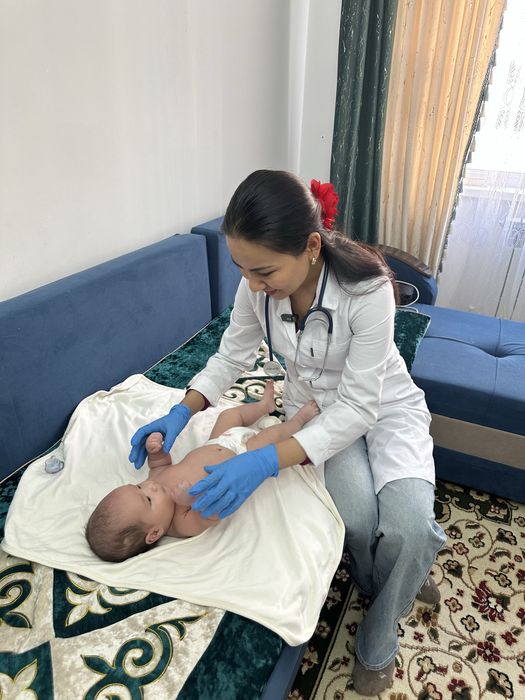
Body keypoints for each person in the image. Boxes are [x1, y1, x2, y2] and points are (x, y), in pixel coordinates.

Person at [129, 170, 446, 695]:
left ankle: (381, 625)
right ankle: (395, 578)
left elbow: (360, 405)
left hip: (385, 406)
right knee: (358, 519)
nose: (254, 284)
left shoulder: (368, 291)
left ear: (312, 247)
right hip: (314, 414)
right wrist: (182, 411)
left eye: (264, 271)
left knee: (410, 527)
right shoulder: (256, 287)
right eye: (242, 269)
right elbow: (229, 356)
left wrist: (266, 460)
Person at [87, 381, 318, 562]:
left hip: (217, 441)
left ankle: (263, 406)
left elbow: (160, 465)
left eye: (138, 486)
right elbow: (211, 514)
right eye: (147, 499)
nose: (150, 486)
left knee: (229, 416)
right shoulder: (181, 524)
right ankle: (297, 422)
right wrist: (190, 499)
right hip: (243, 456)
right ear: (154, 533)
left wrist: (155, 450)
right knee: (271, 436)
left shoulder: (155, 483)